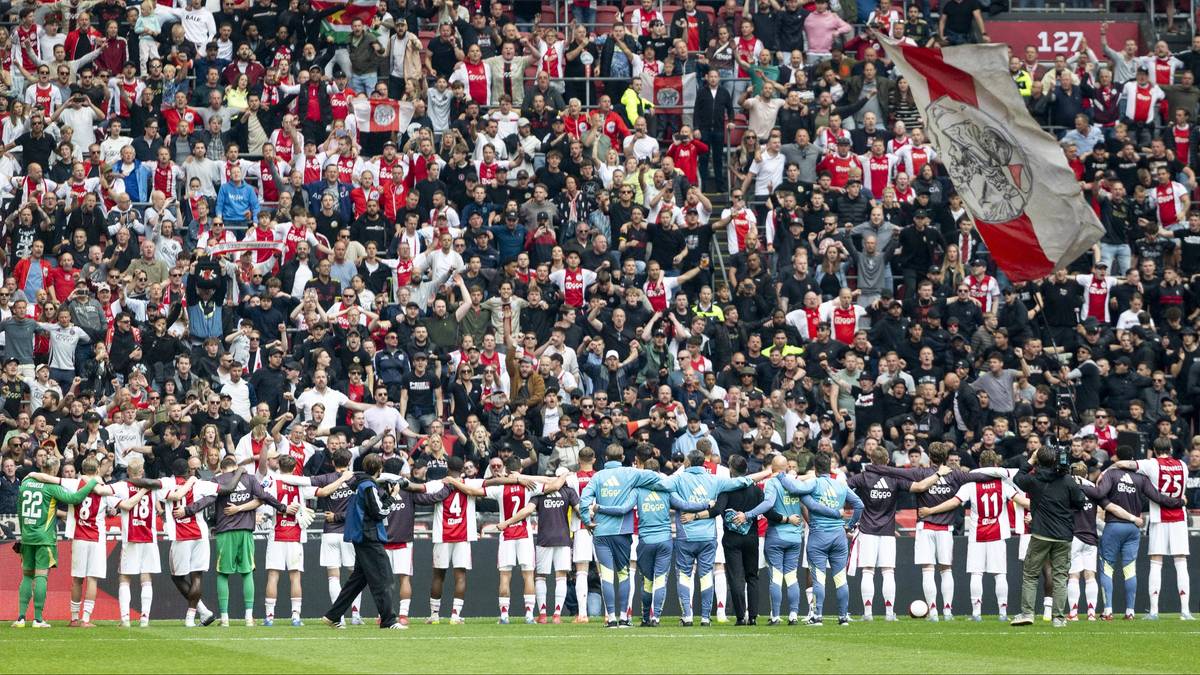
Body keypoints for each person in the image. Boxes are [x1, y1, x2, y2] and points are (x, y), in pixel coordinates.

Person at [322, 454, 407, 630]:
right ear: (379, 469)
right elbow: (379, 512)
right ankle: (389, 620)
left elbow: (370, 507)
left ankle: (333, 615)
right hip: (369, 537)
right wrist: (393, 497)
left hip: (362, 536)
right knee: (383, 579)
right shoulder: (368, 486)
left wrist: (386, 496)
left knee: (357, 581)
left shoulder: (361, 484)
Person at [12, 457, 97, 628]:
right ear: (55, 470)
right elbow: (75, 498)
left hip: (27, 537)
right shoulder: (52, 487)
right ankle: (37, 619)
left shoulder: (26, 482)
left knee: (27, 576)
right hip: (44, 538)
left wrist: (22, 533)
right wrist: (92, 483)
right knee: (41, 575)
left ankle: (20, 618)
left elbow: (20, 509)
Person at [1008, 446, 1087, 627]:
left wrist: (1031, 459)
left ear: (1038, 461)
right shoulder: (1067, 480)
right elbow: (1081, 502)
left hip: (1041, 533)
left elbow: (1017, 478)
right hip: (1064, 535)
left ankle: (1027, 613)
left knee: (1030, 574)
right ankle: (1058, 618)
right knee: (1060, 576)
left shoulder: (1034, 479)